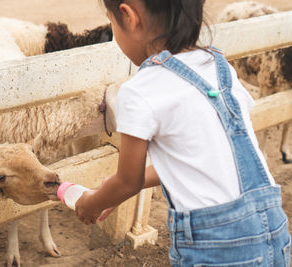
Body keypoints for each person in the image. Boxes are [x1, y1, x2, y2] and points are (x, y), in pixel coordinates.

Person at [75, 0, 291, 266]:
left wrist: (94, 203)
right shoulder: (219, 65)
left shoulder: (140, 91)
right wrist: (114, 191)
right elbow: (208, 157)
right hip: (273, 230)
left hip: (215, 244)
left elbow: (127, 181)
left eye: (111, 23)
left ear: (128, 16)